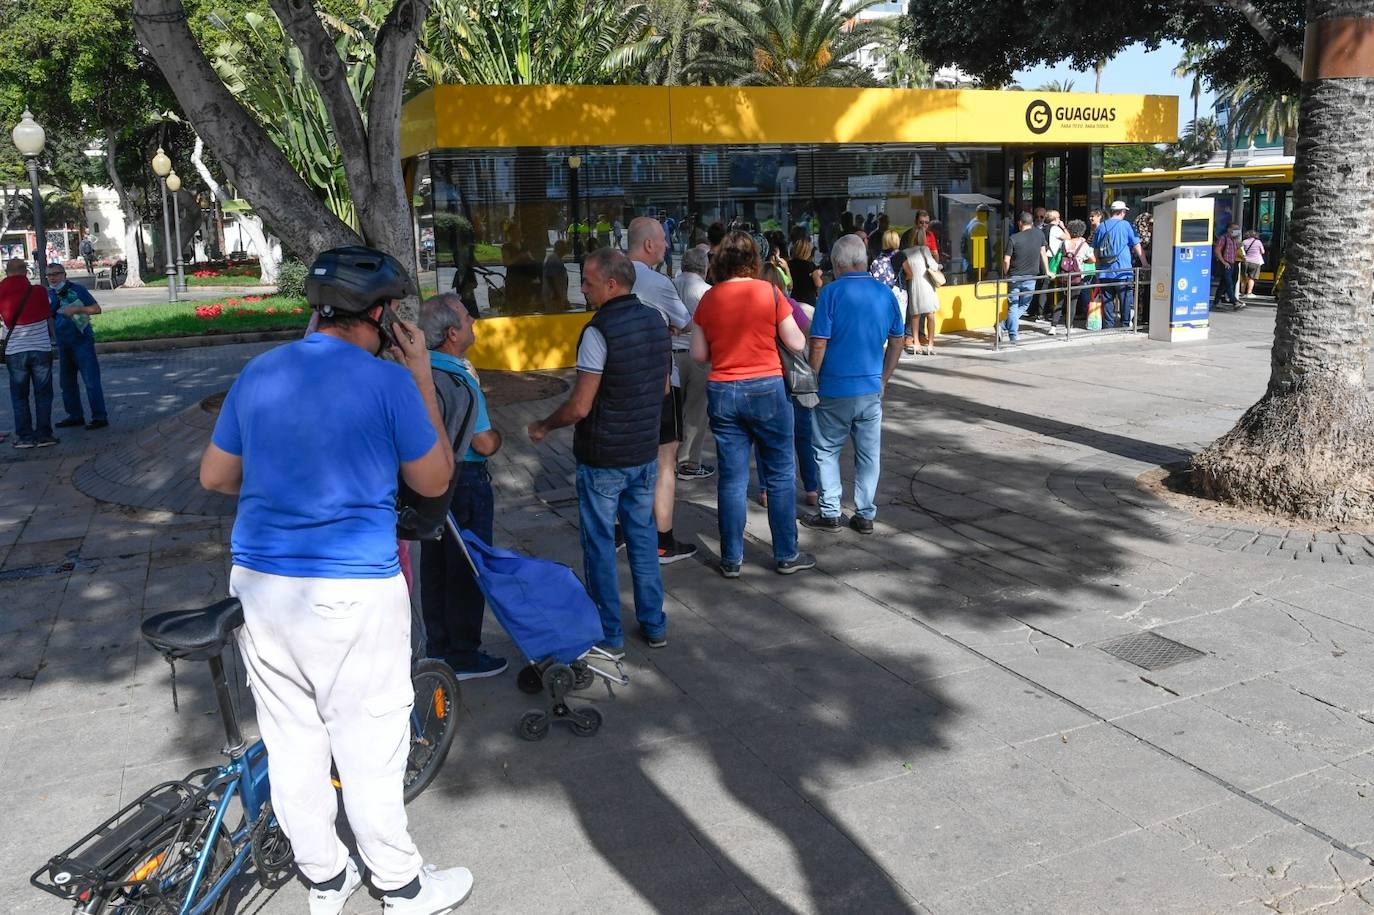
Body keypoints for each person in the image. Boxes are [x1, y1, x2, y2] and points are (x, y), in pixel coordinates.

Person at [198, 246, 472, 914]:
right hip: (352, 589)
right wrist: (418, 376)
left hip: (261, 584)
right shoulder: (386, 385)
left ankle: (324, 878)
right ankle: (402, 885)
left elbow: (215, 477)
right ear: (377, 314)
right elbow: (435, 480)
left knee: (292, 739)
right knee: (371, 740)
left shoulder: (259, 372)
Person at [527, 248, 670, 653]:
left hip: (604, 457)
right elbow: (661, 389)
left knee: (600, 545)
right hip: (643, 452)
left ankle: (609, 632)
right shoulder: (656, 321)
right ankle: (654, 622)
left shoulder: (597, 331)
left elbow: (579, 406)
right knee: (642, 538)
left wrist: (543, 425)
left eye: (588, 282)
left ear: (611, 284)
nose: (582, 289)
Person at [691, 231, 815, 578]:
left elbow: (700, 354)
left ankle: (731, 559)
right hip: (767, 389)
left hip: (723, 391)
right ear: (753, 260)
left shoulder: (709, 299)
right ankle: (786, 554)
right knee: (779, 474)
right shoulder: (769, 292)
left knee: (730, 478)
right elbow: (795, 341)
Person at [416, 293, 506, 681]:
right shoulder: (458, 377)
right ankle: (464, 652)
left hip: (425, 484)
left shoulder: (417, 373)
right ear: (452, 333)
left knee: (434, 567)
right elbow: (483, 442)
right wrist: (500, 439)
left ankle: (439, 645)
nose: (473, 324)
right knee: (468, 567)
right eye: (468, 319)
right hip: (465, 481)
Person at [802, 235, 905, 535]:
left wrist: (812, 378)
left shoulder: (830, 294)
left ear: (837, 263)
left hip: (833, 388)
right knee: (868, 454)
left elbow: (819, 343)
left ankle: (831, 511)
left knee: (826, 450)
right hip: (871, 388)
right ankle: (864, 513)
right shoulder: (885, 294)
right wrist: (885, 377)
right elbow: (897, 340)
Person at [627, 216, 697, 563]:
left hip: (617, 380)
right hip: (659, 381)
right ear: (649, 245)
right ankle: (663, 540)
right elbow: (685, 322)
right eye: (664, 240)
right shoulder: (656, 282)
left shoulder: (612, 274)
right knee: (665, 457)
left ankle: (620, 529)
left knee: (625, 455)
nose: (668, 245)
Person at [756, 263, 819, 508]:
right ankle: (811, 488)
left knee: (766, 437)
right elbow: (806, 336)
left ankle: (764, 489)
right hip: (796, 378)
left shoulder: (756, 307)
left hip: (768, 376)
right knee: (803, 436)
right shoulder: (790, 305)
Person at [0, 258, 57, 448]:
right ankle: (44, 435)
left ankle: (24, 437)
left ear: (7, 273)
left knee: (19, 395)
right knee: (43, 393)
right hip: (41, 349)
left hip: (15, 351)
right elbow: (50, 310)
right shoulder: (39, 291)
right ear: (26, 272)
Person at [48, 263, 108, 431]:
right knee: (66, 383)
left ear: (64, 274)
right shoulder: (49, 293)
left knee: (91, 380)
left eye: (56, 274)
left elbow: (96, 309)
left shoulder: (77, 289)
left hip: (82, 340)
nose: (53, 278)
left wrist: (76, 309)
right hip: (62, 342)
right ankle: (74, 415)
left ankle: (99, 416)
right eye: (49, 275)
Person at [673, 244, 714, 481]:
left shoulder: (671, 284)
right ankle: (688, 463)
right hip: (697, 355)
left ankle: (668, 457)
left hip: (672, 352)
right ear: (704, 266)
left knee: (674, 409)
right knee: (696, 412)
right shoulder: (706, 291)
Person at [1092, 201, 1146, 329]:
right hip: (1124, 270)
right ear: (1122, 212)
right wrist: (1145, 263)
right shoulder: (1126, 225)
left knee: (1107, 300)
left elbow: (1095, 250)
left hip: (1105, 271)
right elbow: (1137, 245)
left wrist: (1097, 269)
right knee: (1126, 299)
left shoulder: (1101, 226)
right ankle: (1125, 324)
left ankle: (1108, 326)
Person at [1001, 212, 1048, 344]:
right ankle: (1009, 332)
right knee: (1025, 304)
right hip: (1031, 277)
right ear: (1032, 223)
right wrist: (1047, 271)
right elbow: (1043, 253)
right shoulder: (1039, 234)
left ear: (1020, 223)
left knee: (1013, 306)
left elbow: (1006, 260)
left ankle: (1004, 327)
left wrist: (1006, 273)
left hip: (1014, 277)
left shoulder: (1013, 238)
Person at [902, 227, 940, 356]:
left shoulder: (906, 252)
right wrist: (938, 266)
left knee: (915, 315)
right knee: (930, 315)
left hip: (914, 285)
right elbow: (933, 265)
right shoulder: (925, 250)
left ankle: (916, 343)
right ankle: (930, 345)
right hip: (927, 285)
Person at [1058, 218, 1097, 324]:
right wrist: (1083, 261)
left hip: (1063, 274)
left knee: (1060, 301)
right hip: (1077, 275)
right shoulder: (1084, 245)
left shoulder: (1064, 243)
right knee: (1073, 301)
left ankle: (1053, 326)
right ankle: (1069, 326)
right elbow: (1093, 259)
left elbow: (1059, 257)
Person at [1212, 222, 1244, 310]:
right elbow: (1217, 250)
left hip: (1232, 263)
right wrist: (1223, 262)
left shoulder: (1233, 240)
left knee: (1223, 284)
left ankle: (1216, 302)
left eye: (1237, 229)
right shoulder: (1224, 238)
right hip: (1226, 264)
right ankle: (1234, 301)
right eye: (1234, 229)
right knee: (1228, 283)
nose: (1237, 231)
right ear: (1229, 229)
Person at [787, 237, 822, 307]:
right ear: (808, 252)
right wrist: (818, 274)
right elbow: (818, 283)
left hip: (794, 300)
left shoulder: (788, 264)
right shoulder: (810, 266)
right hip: (808, 301)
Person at [1240, 228, 1266, 298]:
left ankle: (1242, 292)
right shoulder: (1258, 242)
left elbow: (1241, 251)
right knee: (1251, 278)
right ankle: (1249, 293)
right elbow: (1263, 252)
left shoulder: (1244, 242)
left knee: (1244, 278)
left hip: (1245, 261)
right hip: (1255, 262)